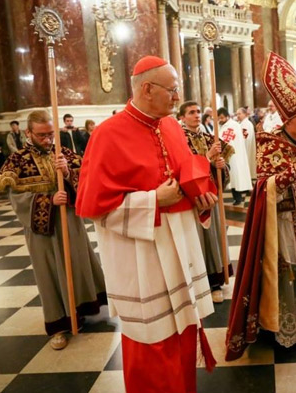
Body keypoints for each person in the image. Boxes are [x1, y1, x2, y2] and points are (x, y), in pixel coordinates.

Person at [75, 56, 218, 393]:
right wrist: (153, 200)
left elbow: (183, 180)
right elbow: (96, 208)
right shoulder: (107, 135)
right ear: (147, 89)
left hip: (179, 249)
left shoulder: (171, 126)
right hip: (141, 259)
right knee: (151, 341)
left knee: (183, 331)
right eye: (172, 89)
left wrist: (200, 197)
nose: (177, 97)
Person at [226, 52, 296, 361]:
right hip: (284, 225)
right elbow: (264, 187)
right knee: (291, 274)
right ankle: (286, 331)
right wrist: (293, 172)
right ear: (288, 120)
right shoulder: (268, 143)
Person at [0, 110, 107, 350]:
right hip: (42, 229)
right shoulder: (18, 161)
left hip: (70, 223)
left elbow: (87, 180)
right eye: (42, 135)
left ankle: (79, 312)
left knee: (76, 265)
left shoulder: (63, 153)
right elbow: (18, 200)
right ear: (28, 133)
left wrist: (67, 173)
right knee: (50, 273)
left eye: (51, 134)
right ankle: (59, 326)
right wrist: (48, 200)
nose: (48, 140)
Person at [178, 101, 234, 303]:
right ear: (182, 117)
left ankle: (214, 282)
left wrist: (220, 166)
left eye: (198, 112)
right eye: (191, 112)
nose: (196, 115)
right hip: (192, 198)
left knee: (213, 239)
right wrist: (208, 158)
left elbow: (223, 174)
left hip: (212, 196)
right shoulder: (178, 141)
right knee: (197, 241)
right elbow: (184, 169)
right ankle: (197, 282)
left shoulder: (210, 138)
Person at [218, 107, 252, 205]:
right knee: (233, 178)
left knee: (235, 177)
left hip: (234, 155)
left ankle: (238, 198)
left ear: (227, 116)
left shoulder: (234, 125)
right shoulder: (222, 125)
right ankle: (237, 197)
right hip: (227, 156)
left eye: (222, 118)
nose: (220, 120)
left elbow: (229, 139)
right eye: (219, 118)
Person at [236, 106, 257, 180]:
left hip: (245, 149)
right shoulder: (241, 123)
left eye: (239, 114)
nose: (237, 116)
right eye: (237, 114)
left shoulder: (246, 124)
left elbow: (245, 138)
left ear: (245, 114)